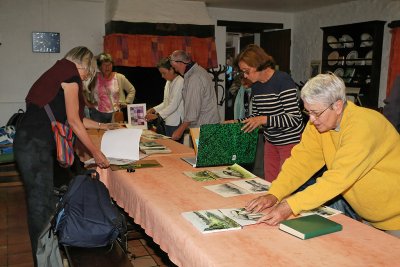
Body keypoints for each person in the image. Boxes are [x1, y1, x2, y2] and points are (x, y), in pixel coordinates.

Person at [246, 73, 400, 238]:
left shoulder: (364, 126)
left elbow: (338, 178)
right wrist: (275, 193)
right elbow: (300, 163)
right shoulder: (320, 125)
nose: (312, 120)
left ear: (338, 106)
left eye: (316, 113)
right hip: (371, 216)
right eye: (308, 112)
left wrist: (290, 205)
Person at [13, 46, 112, 265]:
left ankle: (52, 257)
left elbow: (74, 117)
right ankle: (45, 261)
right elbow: (74, 122)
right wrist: (96, 153)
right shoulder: (70, 76)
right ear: (85, 65)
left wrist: (104, 126)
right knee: (41, 207)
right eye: (90, 72)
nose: (88, 77)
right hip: (35, 145)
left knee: (46, 201)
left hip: (30, 143)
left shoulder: (58, 73)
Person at [236, 44, 304, 182]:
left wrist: (264, 120)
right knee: (270, 184)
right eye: (243, 71)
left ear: (258, 65)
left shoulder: (283, 80)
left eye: (247, 70)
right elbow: (256, 117)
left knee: (286, 185)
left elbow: (294, 118)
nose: (245, 75)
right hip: (271, 142)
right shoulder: (256, 86)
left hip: (290, 143)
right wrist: (237, 122)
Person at [168, 50, 220, 141]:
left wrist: (180, 130)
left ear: (180, 63)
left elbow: (192, 111)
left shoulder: (194, 78)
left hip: (204, 129)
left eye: (174, 67)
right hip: (208, 126)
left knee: (202, 155)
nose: (175, 70)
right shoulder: (198, 71)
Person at [89, 52, 136, 123]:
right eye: (104, 64)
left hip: (115, 113)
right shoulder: (93, 77)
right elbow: (83, 90)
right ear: (99, 66)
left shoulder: (119, 77)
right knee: (97, 133)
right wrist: (89, 103)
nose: (107, 67)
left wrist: (126, 102)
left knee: (116, 133)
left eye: (109, 64)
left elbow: (131, 90)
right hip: (97, 113)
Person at [145, 58, 184, 138]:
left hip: (176, 122)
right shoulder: (168, 82)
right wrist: (153, 109)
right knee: (169, 147)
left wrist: (157, 115)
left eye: (164, 73)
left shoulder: (180, 81)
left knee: (176, 149)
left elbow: (174, 105)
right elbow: (165, 102)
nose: (162, 76)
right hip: (168, 120)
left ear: (172, 70)